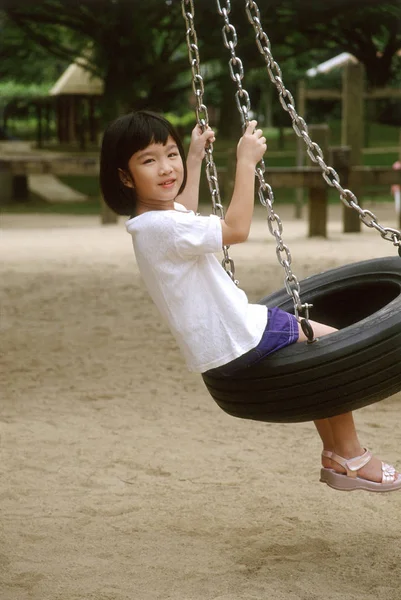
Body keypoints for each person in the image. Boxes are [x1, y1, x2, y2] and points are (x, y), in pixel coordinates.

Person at [100, 110, 401, 493]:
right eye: (148, 160)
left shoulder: (151, 223)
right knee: (334, 351)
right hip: (242, 333)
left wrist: (194, 158)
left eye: (170, 154)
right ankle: (353, 457)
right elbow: (236, 229)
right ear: (125, 177)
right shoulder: (165, 228)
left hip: (225, 339)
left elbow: (185, 211)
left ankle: (335, 453)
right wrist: (245, 162)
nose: (165, 168)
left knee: (317, 365)